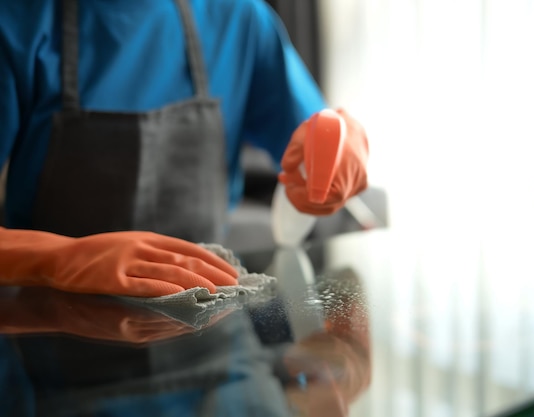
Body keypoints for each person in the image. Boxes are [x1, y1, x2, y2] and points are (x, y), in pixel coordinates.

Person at [0, 0, 369, 297]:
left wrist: (342, 150)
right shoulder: (17, 23)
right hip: (51, 339)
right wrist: (60, 260)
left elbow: (315, 150)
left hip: (216, 338)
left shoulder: (238, 18)